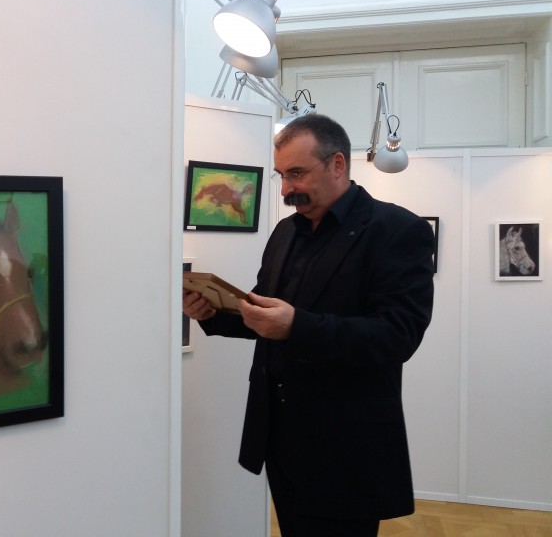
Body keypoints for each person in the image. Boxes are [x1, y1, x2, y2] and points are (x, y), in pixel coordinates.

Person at [183, 114, 435, 537]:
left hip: (346, 448)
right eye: (281, 175)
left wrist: (297, 327)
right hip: (280, 437)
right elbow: (265, 311)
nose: (285, 189)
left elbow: (397, 335)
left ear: (337, 164)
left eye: (296, 173)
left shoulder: (397, 230)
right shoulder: (286, 232)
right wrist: (214, 312)